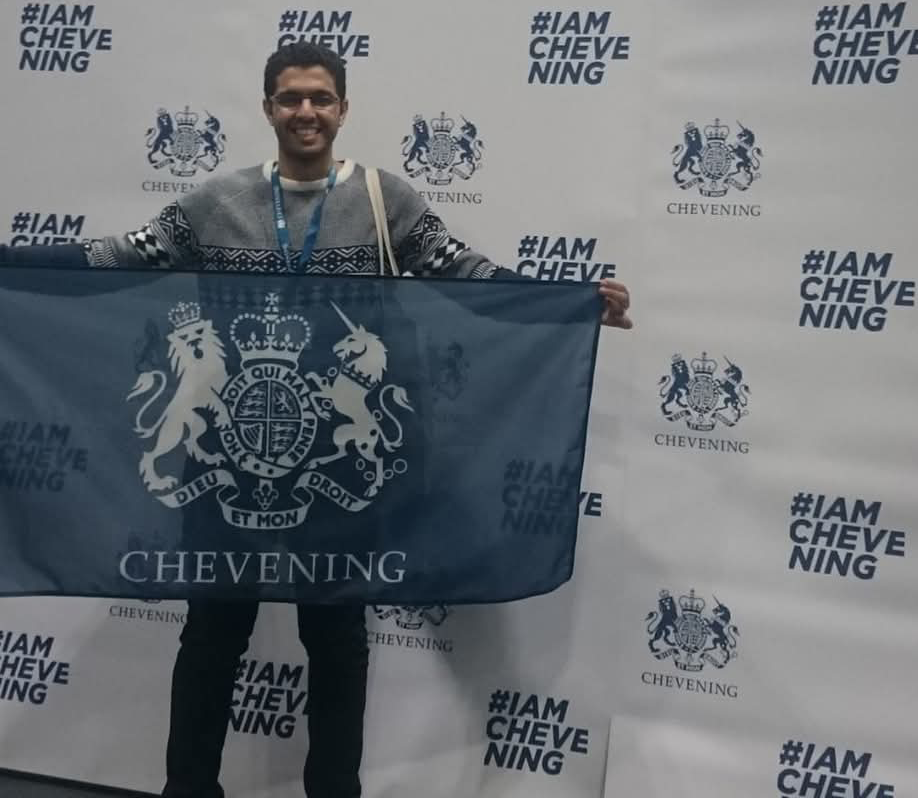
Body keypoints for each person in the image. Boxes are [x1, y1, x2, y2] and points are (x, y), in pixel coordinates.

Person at [0, 42, 631, 798]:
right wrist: (7, 260)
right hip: (224, 464)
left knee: (335, 639)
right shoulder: (216, 202)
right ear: (268, 107)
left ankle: (335, 790)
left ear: (342, 108)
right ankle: (188, 788)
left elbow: (468, 274)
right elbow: (117, 255)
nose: (306, 111)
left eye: (320, 98)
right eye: (291, 98)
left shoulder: (383, 199)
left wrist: (570, 302)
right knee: (211, 635)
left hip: (333, 475)